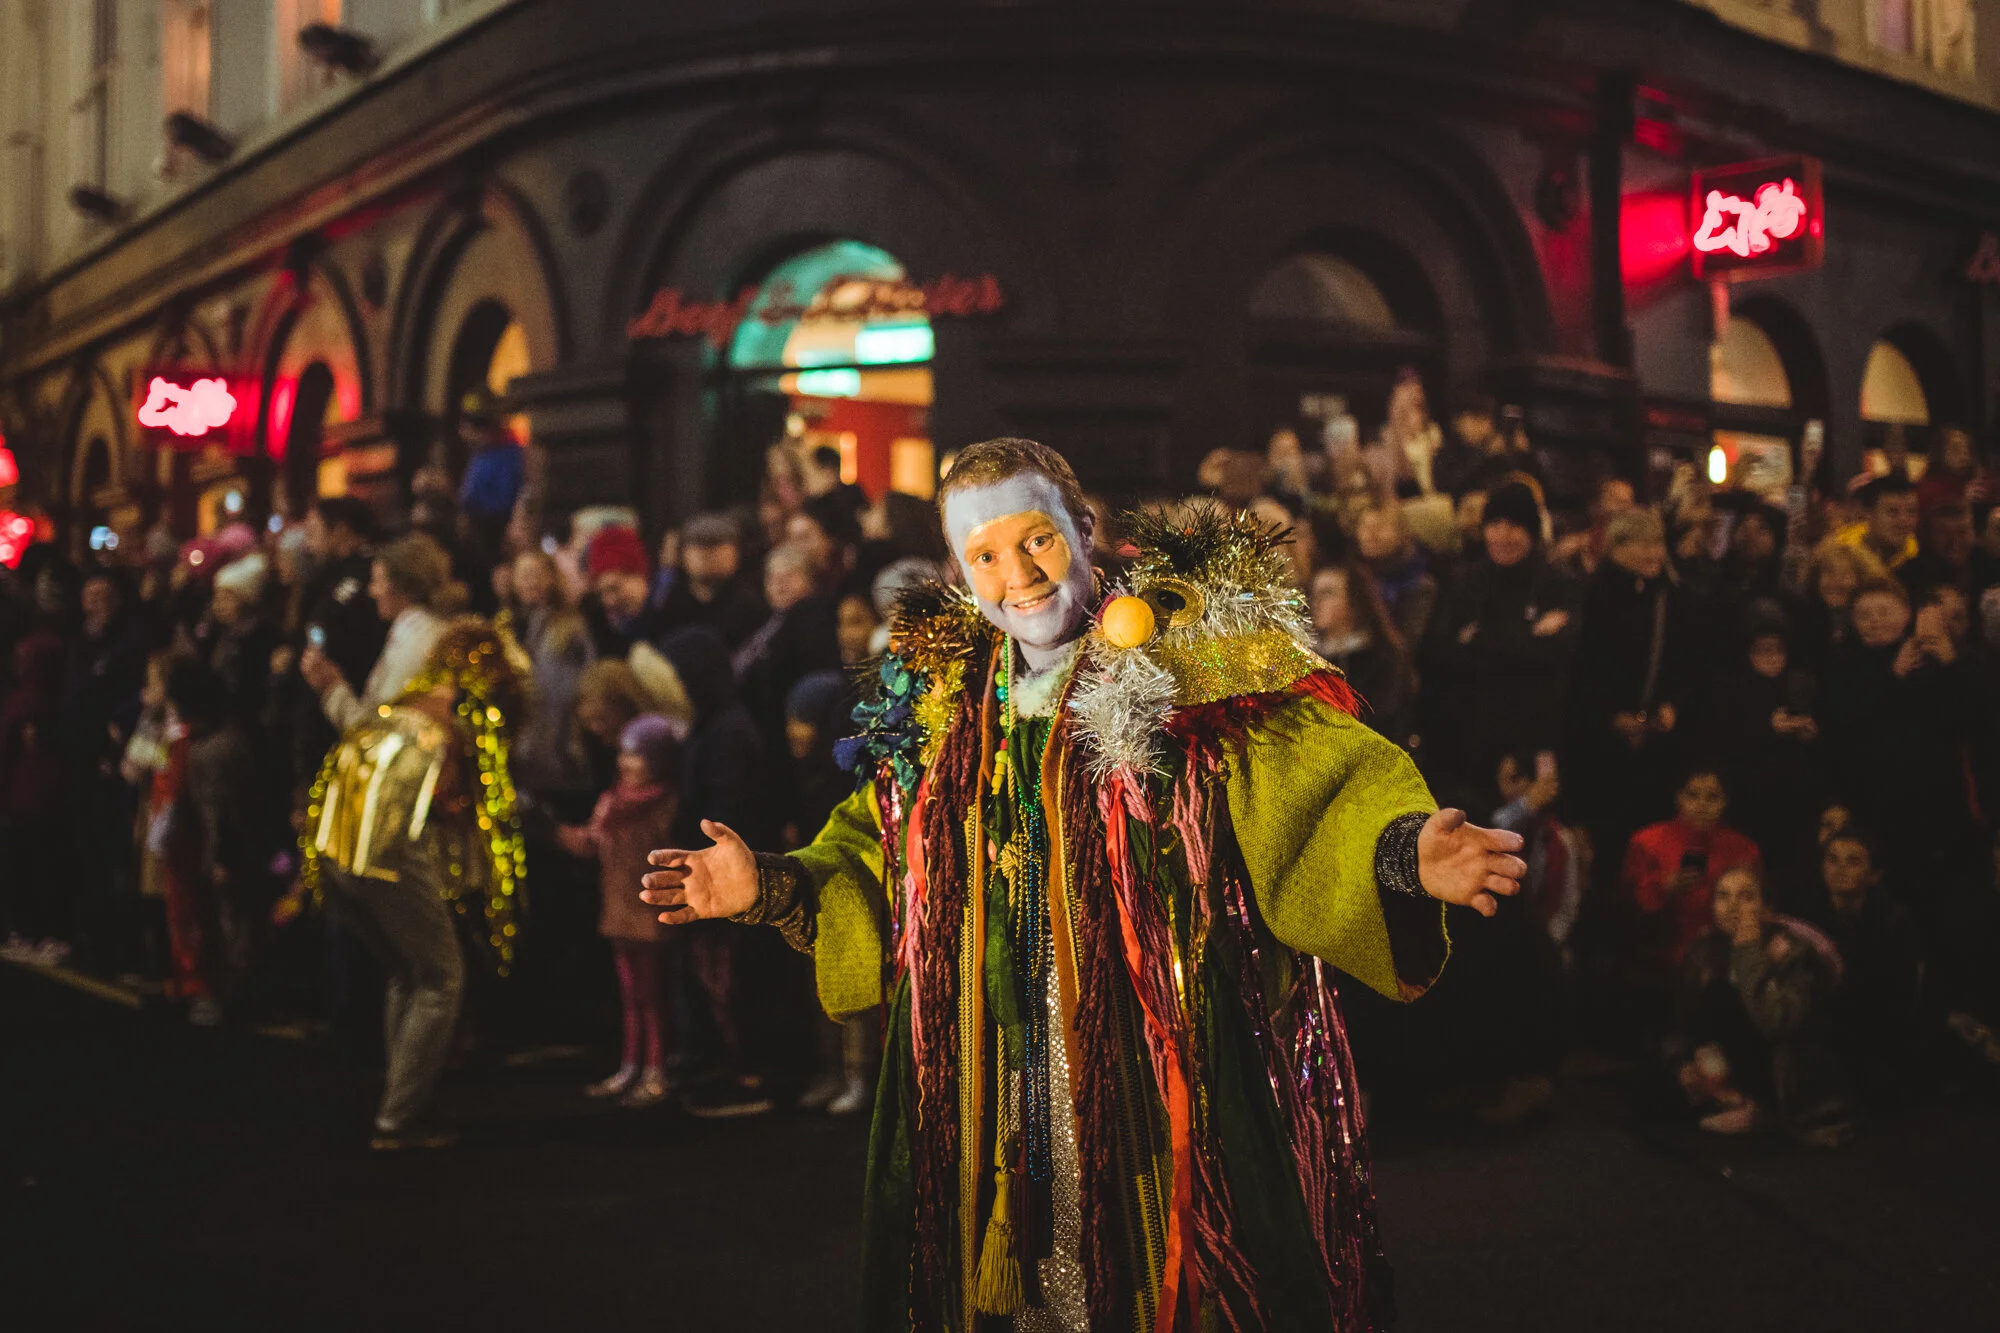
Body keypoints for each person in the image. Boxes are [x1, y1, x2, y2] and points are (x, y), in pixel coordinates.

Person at [643, 437, 1525, 1331]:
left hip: (1157, 1076)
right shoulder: (943, 708)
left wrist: (1400, 849)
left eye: (1037, 539)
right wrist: (772, 885)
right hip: (994, 1078)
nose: (1018, 574)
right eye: (985, 555)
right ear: (958, 569)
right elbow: (877, 847)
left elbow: (1312, 781)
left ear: (1086, 529)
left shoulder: (1193, 666)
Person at [305, 617, 527, 1150]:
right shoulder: (457, 718)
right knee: (442, 979)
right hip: (387, 854)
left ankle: (406, 1094)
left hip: (336, 852)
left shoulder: (403, 707)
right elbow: (448, 800)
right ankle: (400, 1117)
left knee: (408, 974)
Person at [1668, 864, 1854, 1144]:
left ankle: (1757, 1107)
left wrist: (1748, 950)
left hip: (1784, 1072)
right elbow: (1682, 1019)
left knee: (1724, 996)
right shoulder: (1705, 948)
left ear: (1766, 908)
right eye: (1723, 896)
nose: (1733, 907)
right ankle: (1722, 1098)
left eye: (1745, 897)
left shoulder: (1793, 951)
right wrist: (1681, 1064)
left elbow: (1776, 1021)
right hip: (1722, 1069)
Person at [1421, 479, 1576, 810]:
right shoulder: (1464, 581)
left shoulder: (1556, 583)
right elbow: (1438, 654)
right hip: (1468, 736)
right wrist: (1526, 639)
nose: (1502, 535)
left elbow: (1557, 657)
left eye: (1513, 525)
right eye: (1494, 524)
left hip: (1533, 733)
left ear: (1531, 531)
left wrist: (1479, 639)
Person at [559, 714, 683, 1108]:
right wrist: (553, 830)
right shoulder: (612, 801)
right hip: (618, 911)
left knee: (653, 996)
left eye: (637, 755)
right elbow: (590, 843)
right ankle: (631, 1065)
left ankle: (655, 1070)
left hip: (650, 912)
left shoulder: (665, 804)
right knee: (631, 995)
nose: (626, 762)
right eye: (625, 753)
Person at [1797, 831, 1928, 1107]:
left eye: (1852, 861)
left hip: (1877, 1026)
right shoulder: (1805, 913)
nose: (1840, 869)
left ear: (1874, 875)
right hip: (1819, 1017)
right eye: (1832, 859)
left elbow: (1897, 992)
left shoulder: (1893, 919)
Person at [1620, 767, 1763, 983]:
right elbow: (1624, 908)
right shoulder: (1646, 843)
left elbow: (1758, 908)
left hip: (1726, 962)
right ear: (1678, 798)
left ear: (1725, 801)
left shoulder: (1745, 850)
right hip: (1658, 963)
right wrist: (1663, 887)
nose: (1702, 805)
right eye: (1693, 795)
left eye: (1712, 797)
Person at [301, 533, 454, 734]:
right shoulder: (419, 630)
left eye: (377, 582)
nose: (372, 592)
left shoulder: (414, 641)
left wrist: (332, 689)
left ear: (399, 587)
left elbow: (380, 729)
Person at [1309, 562, 1414, 747]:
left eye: (1328, 593)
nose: (1316, 602)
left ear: (1353, 601)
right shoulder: (1309, 660)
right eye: (1314, 593)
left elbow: (1383, 721)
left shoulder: (1380, 661)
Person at [648, 512, 767, 648]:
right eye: (699, 547)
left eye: (716, 546)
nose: (706, 555)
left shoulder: (748, 604)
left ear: (736, 553)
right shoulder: (671, 599)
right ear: (683, 555)